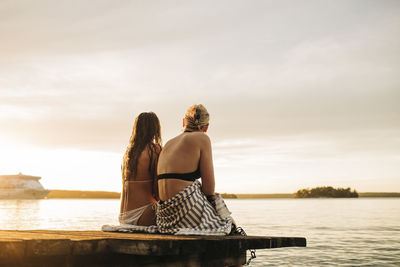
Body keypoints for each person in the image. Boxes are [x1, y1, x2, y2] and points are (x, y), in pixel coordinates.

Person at [156, 104, 232, 235]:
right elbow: (209, 189)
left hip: (164, 217)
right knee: (227, 221)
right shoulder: (202, 138)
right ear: (206, 127)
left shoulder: (169, 143)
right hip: (185, 212)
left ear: (183, 122)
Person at [119, 112, 162, 226]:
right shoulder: (155, 150)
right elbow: (159, 191)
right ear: (155, 129)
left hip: (124, 216)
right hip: (144, 214)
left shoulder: (129, 153)